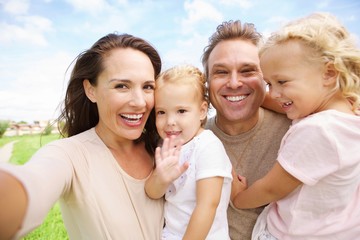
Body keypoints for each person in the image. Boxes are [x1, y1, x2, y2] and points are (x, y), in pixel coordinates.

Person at [0, 33, 165, 239]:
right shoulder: (69, 154)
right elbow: (34, 183)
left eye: (148, 87)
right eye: (122, 86)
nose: (140, 102)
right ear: (90, 90)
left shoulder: (164, 149)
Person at [232, 12, 360, 239]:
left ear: (328, 73)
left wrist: (239, 199)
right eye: (269, 83)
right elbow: (286, 104)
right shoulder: (348, 117)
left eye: (282, 82)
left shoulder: (318, 130)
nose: (274, 94)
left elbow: (272, 188)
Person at [201, 20, 292, 239]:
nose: (233, 83)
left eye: (247, 70)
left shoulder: (298, 129)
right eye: (221, 72)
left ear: (266, 78)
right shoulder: (191, 140)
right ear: (207, 82)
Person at [145, 65, 233, 239]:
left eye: (181, 111)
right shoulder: (166, 147)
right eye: (161, 112)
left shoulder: (207, 146)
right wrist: (161, 177)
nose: (170, 121)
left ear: (201, 111)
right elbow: (152, 192)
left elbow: (208, 205)